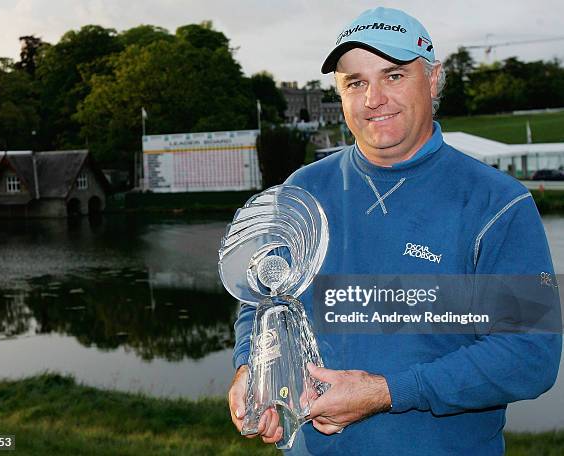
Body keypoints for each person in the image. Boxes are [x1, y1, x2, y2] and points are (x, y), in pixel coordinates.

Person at [229, 6, 562, 455]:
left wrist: (387, 391)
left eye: (394, 76)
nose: (373, 98)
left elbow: (529, 357)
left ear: (433, 79)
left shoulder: (496, 203)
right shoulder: (303, 190)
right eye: (356, 82)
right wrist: (251, 366)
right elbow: (264, 301)